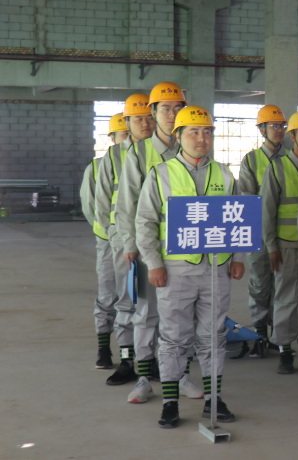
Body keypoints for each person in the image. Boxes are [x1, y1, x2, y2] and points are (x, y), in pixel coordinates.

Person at [134, 105, 246, 429]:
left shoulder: (225, 174)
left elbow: (238, 217)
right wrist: (154, 263)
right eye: (194, 132)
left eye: (207, 131)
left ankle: (214, 400)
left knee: (214, 336)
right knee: (174, 337)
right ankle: (170, 403)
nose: (201, 138)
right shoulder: (161, 174)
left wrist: (238, 257)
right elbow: (145, 222)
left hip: (216, 270)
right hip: (176, 271)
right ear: (179, 136)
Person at [115, 82, 193, 403]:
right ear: (154, 112)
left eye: (177, 108)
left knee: (181, 314)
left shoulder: (190, 146)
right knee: (147, 313)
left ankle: (180, 374)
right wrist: (130, 245)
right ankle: (144, 378)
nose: (172, 114)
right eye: (165, 109)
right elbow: (126, 204)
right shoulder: (139, 152)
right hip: (150, 250)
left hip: (185, 248)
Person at [98, 94, 155, 387]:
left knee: (153, 302)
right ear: (128, 122)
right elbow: (101, 204)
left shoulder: (162, 151)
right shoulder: (113, 156)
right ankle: (126, 360)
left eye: (149, 118)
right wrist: (117, 237)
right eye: (138, 119)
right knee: (127, 299)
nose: (145, 124)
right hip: (124, 241)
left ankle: (151, 358)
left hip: (155, 240)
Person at [262, 111, 298, 374]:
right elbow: (267, 211)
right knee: (286, 299)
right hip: (288, 246)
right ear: (292, 136)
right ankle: (284, 350)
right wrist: (271, 247)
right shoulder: (277, 168)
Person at [237, 104, 287, 356]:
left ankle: (278, 336)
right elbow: (247, 199)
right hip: (258, 234)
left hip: (285, 234)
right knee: (259, 285)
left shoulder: (291, 158)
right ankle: (259, 334)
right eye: (273, 126)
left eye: (282, 126)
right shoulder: (252, 160)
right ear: (262, 130)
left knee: (281, 287)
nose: (279, 130)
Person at [82, 113, 129, 370]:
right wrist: (109, 233)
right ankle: (103, 348)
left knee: (134, 298)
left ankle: (133, 352)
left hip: (137, 242)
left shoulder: (144, 162)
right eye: (123, 135)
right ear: (112, 138)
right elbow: (91, 206)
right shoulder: (98, 166)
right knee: (108, 294)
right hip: (109, 241)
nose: (128, 139)